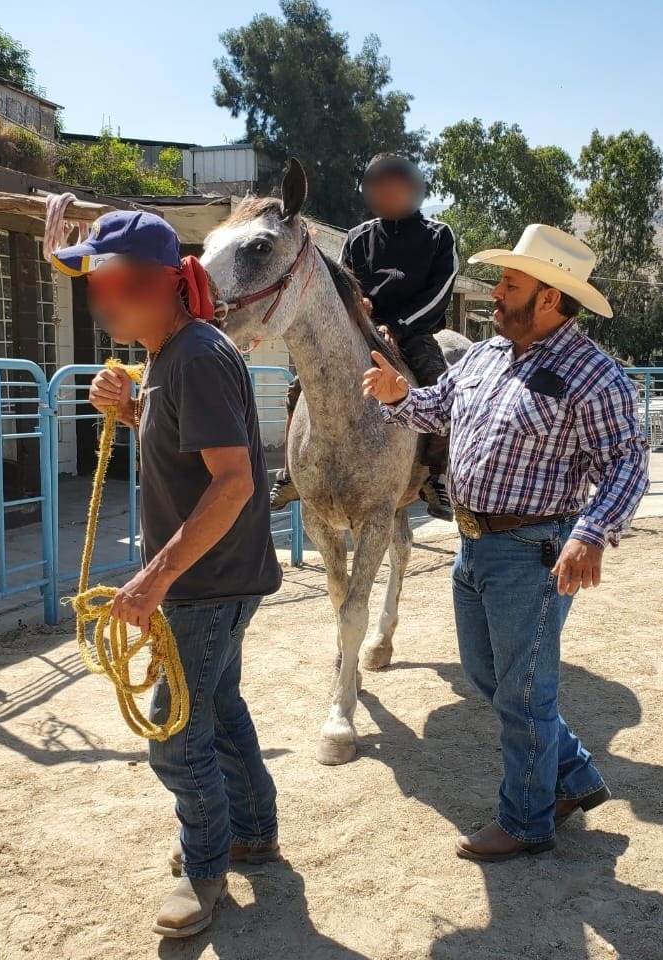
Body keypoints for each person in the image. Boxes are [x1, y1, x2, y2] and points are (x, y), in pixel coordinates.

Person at [362, 224, 650, 861]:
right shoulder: (487, 355)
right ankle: (571, 778)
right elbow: (439, 407)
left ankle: (526, 821)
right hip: (473, 546)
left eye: (510, 283)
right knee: (488, 674)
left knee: (523, 691)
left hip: (534, 550)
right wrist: (399, 395)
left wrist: (592, 536)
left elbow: (628, 464)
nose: (496, 291)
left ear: (549, 297)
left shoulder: (594, 375)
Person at [65, 211, 282, 939]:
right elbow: (191, 450)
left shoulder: (196, 356)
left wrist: (154, 577)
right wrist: (130, 412)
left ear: (158, 285)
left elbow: (233, 483)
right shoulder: (170, 356)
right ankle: (250, 830)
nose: (101, 304)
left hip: (206, 582)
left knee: (173, 730)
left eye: (110, 287)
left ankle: (205, 866)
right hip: (220, 576)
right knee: (218, 706)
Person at [271, 153, 459, 521]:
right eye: (378, 187)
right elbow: (342, 283)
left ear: (412, 189)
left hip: (414, 332)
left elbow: (440, 291)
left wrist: (400, 327)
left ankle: (434, 475)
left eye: (394, 186)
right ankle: (293, 474)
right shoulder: (358, 236)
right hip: (362, 330)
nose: (386, 194)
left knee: (439, 386)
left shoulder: (439, 236)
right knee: (298, 386)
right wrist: (358, 305)